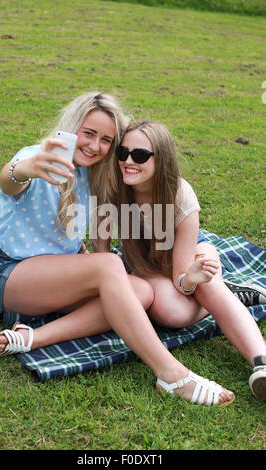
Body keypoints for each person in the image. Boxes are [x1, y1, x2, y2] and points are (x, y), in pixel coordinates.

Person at [0, 92, 235, 407]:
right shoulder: (39, 158)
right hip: (7, 271)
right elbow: (10, 180)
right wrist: (26, 167)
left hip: (53, 281)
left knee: (141, 291)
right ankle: (171, 374)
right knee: (108, 266)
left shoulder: (97, 174)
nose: (94, 145)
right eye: (88, 133)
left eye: (106, 140)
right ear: (72, 127)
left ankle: (32, 338)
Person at [109, 118, 266, 400]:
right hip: (149, 271)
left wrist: (193, 277)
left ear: (162, 159)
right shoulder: (115, 188)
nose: (128, 161)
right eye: (122, 152)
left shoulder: (180, 196)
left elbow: (182, 278)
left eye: (140, 155)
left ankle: (261, 363)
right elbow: (101, 256)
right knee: (174, 314)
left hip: (187, 262)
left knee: (208, 286)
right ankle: (231, 294)